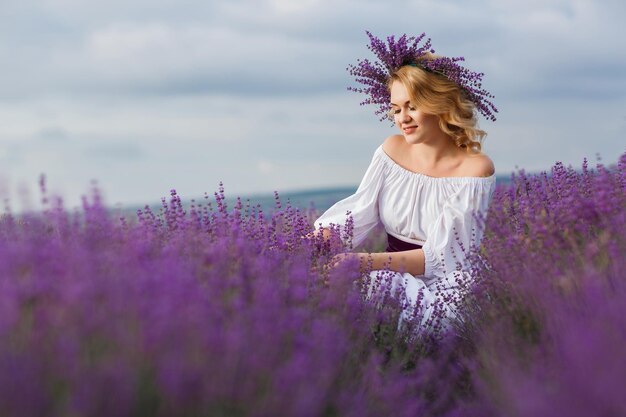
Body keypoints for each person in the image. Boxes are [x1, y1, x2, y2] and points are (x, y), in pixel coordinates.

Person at [313, 32, 498, 335]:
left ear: (439, 103)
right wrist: (309, 244)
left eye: (412, 106)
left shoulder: (475, 169)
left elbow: (441, 258)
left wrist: (363, 263)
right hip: (385, 272)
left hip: (449, 284)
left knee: (435, 327)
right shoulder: (391, 151)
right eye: (396, 109)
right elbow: (357, 213)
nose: (403, 118)